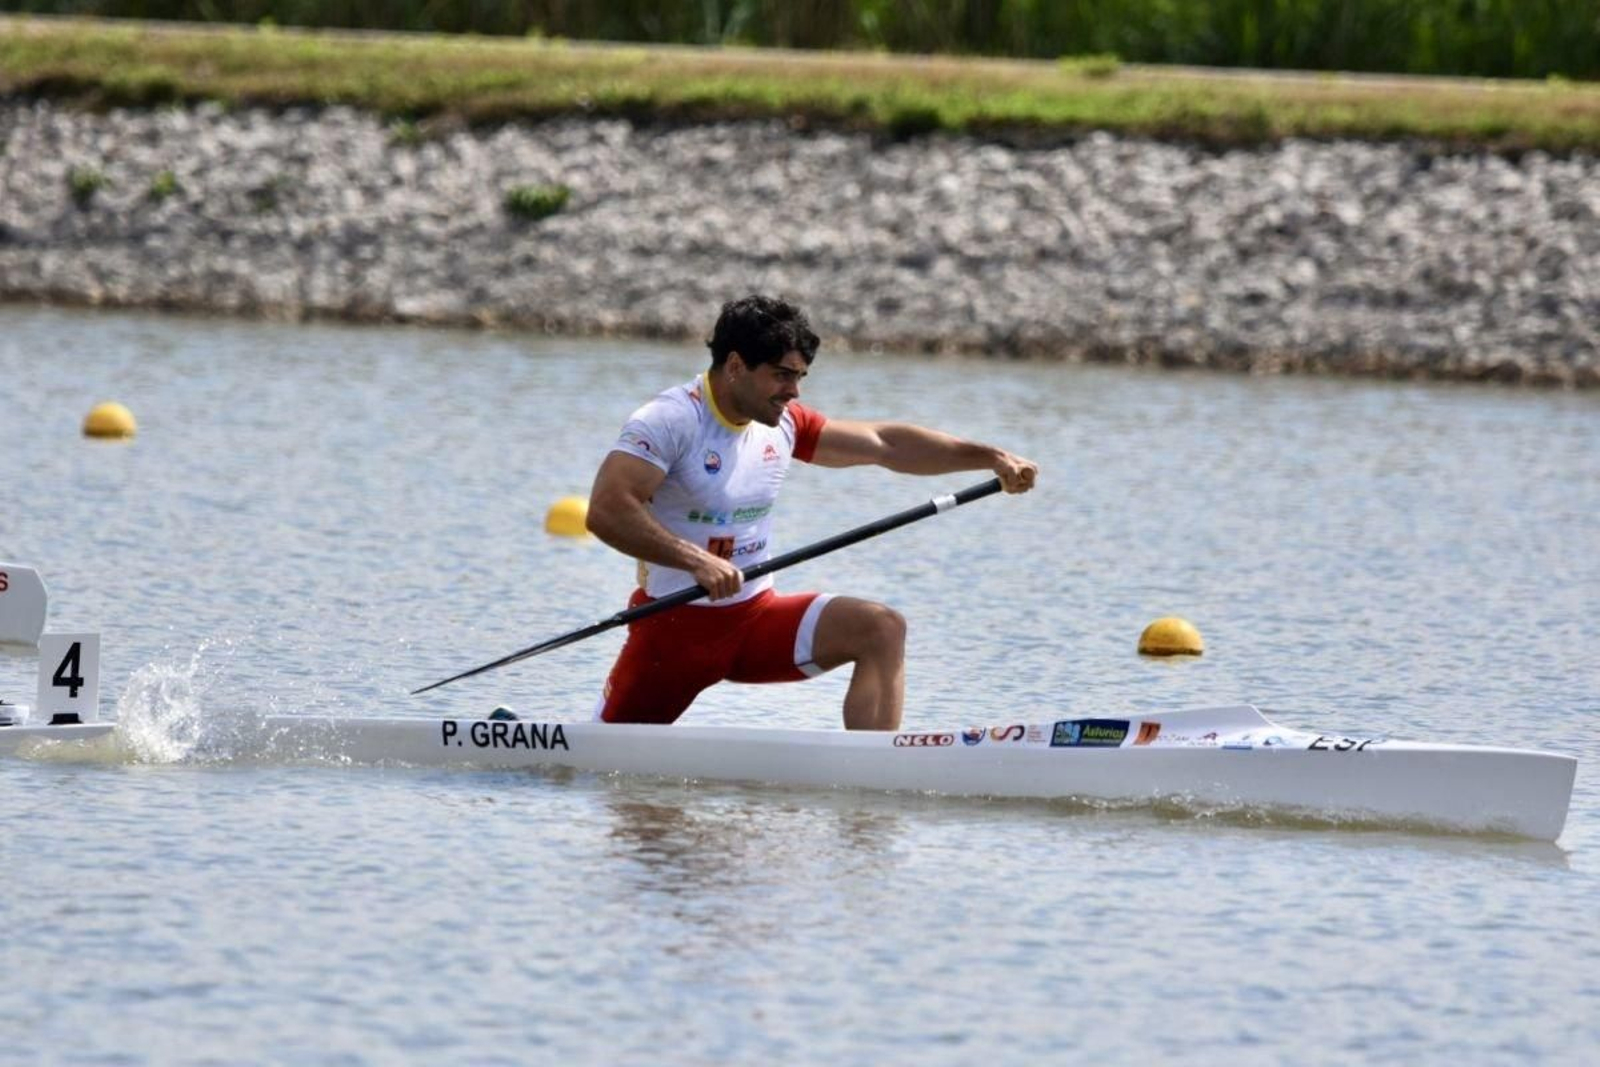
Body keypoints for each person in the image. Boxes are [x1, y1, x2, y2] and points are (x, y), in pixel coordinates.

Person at [586, 294, 1038, 731]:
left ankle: (872, 777)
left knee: (880, 628)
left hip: (754, 621)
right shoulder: (669, 420)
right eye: (783, 375)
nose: (794, 391)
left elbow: (888, 444)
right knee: (602, 768)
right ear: (736, 366)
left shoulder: (784, 422)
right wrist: (695, 560)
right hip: (673, 633)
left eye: (801, 376)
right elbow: (607, 510)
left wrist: (991, 457)